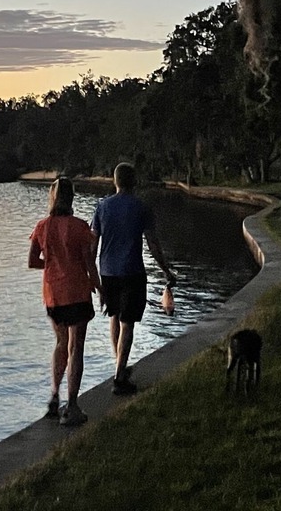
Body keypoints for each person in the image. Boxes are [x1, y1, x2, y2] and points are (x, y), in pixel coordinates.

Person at [90, 162, 177, 395]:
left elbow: (92, 244)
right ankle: (120, 376)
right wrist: (166, 271)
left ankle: (119, 364)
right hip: (132, 272)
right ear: (134, 181)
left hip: (107, 272)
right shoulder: (141, 208)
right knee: (127, 323)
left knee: (114, 316)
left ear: (115, 181)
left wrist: (91, 276)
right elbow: (153, 243)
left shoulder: (101, 207)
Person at [28, 177, 101, 426]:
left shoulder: (42, 227)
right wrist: (99, 288)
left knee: (61, 343)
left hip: (54, 295)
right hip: (78, 293)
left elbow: (32, 261)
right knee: (76, 348)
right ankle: (72, 406)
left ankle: (54, 396)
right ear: (71, 198)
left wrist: (52, 264)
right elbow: (90, 264)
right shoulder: (79, 227)